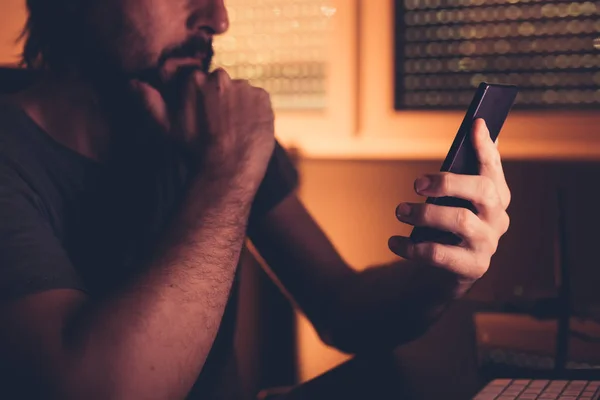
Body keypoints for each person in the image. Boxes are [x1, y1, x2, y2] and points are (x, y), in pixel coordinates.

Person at [0, 0, 511, 399]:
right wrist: (227, 169)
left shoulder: (199, 119)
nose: (218, 19)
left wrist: (443, 271)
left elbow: (341, 306)